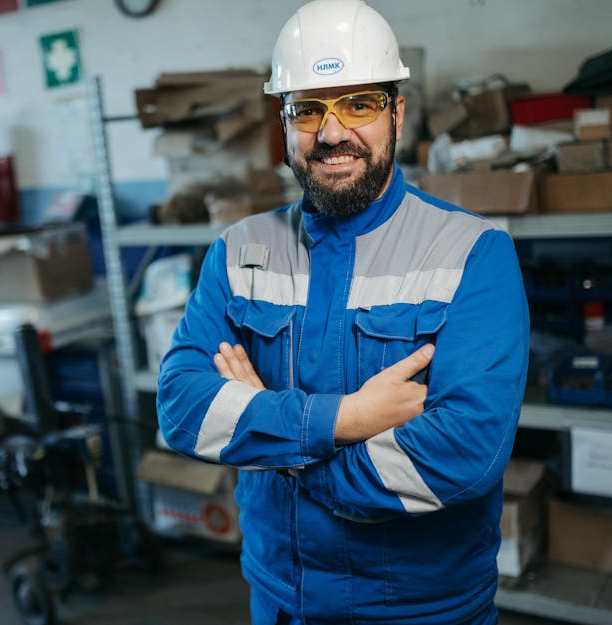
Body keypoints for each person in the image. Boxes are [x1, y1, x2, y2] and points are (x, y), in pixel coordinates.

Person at [156, 1, 530, 623]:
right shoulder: (239, 251)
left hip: (421, 612)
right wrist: (348, 419)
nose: (331, 134)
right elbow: (182, 409)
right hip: (281, 601)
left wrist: (286, 457)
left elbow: (466, 451)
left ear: (396, 114)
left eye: (358, 104)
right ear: (283, 122)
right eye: (307, 109)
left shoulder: (472, 253)